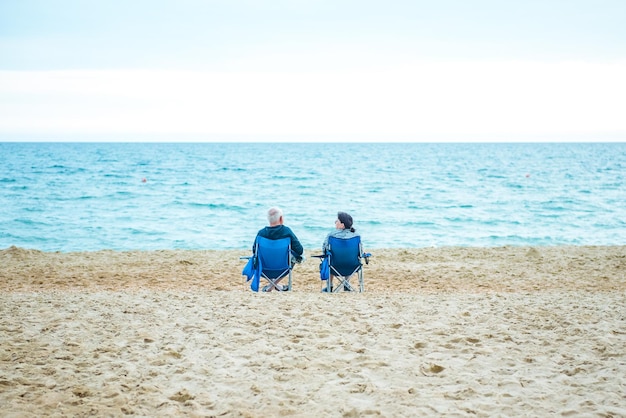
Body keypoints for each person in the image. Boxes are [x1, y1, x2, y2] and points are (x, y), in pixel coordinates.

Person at [253, 207, 304, 292]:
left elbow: (255, 251)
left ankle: (272, 285)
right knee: (297, 258)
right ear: (281, 218)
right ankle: (274, 285)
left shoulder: (261, 234)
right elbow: (300, 250)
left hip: (264, 268)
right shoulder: (286, 231)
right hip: (283, 268)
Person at [321, 211, 362, 291]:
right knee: (348, 256)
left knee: (330, 258)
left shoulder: (331, 235)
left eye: (337, 221)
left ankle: (330, 286)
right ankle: (346, 284)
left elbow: (325, 249)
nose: (335, 222)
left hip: (334, 266)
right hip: (352, 266)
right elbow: (360, 252)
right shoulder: (356, 236)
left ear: (342, 225)